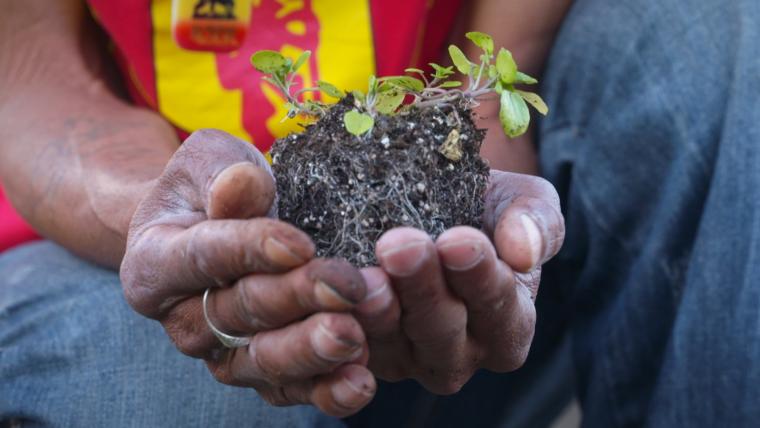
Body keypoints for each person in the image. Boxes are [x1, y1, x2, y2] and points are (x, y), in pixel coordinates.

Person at [2, 1, 759, 428]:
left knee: (700, 32)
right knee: (167, 382)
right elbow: (22, 67)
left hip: (473, 316)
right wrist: (165, 221)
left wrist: (486, 121)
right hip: (89, 271)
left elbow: (496, 80)